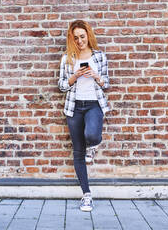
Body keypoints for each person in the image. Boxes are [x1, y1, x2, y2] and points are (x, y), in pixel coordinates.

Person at [58, 20, 110, 212]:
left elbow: (106, 83)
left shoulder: (99, 56)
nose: (79, 41)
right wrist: (74, 76)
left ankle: (93, 147)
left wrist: (96, 76)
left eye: (82, 36)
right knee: (78, 151)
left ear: (88, 35)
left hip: (93, 104)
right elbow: (62, 85)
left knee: (92, 136)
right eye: (75, 38)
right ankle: (86, 195)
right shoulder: (67, 58)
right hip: (74, 107)